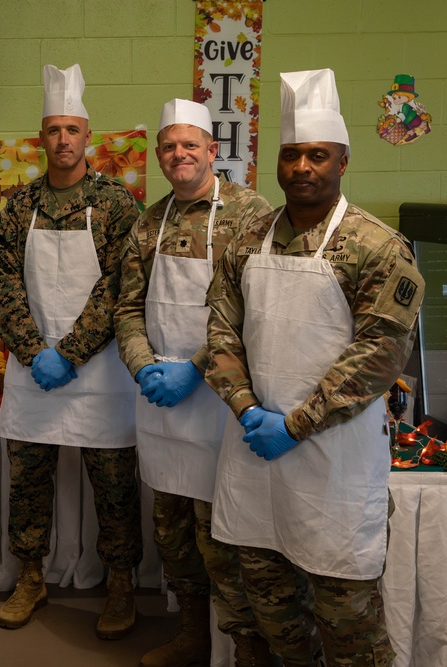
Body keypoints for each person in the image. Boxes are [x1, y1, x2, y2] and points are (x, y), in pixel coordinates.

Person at [205, 68, 424, 666]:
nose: (302, 166)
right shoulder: (248, 238)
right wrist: (247, 409)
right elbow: (220, 330)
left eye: (318, 155)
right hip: (256, 451)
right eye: (291, 154)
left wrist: (294, 425)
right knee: (274, 614)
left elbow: (379, 354)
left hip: (335, 462)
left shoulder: (377, 246)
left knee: (350, 627)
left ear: (342, 162)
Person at [114, 98, 278, 666]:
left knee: (225, 533)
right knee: (172, 529)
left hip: (223, 401)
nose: (179, 154)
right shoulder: (148, 222)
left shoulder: (251, 213)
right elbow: (127, 307)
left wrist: (196, 369)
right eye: (169, 146)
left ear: (212, 150)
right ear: (159, 155)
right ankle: (192, 634)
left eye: (190, 145)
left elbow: (254, 309)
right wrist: (144, 367)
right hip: (161, 397)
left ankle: (245, 648)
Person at [0, 63, 142, 637]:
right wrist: (37, 354)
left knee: (113, 484)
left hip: (100, 371)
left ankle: (121, 585)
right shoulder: (17, 206)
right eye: (53, 130)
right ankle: (30, 577)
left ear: (87, 136)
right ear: (42, 138)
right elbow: (7, 288)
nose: (63, 140)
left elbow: (120, 286)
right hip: (33, 369)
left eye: (72, 130)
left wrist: (71, 353)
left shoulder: (116, 204)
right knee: (28, 481)